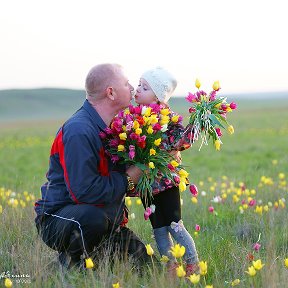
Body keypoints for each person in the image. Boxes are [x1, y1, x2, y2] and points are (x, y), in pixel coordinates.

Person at [34, 63, 152, 271]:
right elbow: (85, 192)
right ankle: (65, 269)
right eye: (126, 84)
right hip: (59, 218)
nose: (132, 88)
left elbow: (123, 178)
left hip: (105, 220)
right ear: (111, 92)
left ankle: (94, 257)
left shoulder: (114, 127)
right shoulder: (79, 130)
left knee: (146, 267)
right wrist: (128, 179)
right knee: (91, 220)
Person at [133, 67, 199, 276]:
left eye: (144, 87)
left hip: (166, 180)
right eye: (138, 85)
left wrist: (197, 125)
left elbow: (180, 140)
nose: (137, 90)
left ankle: (192, 263)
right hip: (146, 183)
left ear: (158, 96)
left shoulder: (167, 116)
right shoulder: (132, 117)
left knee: (173, 223)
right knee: (158, 226)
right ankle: (170, 267)